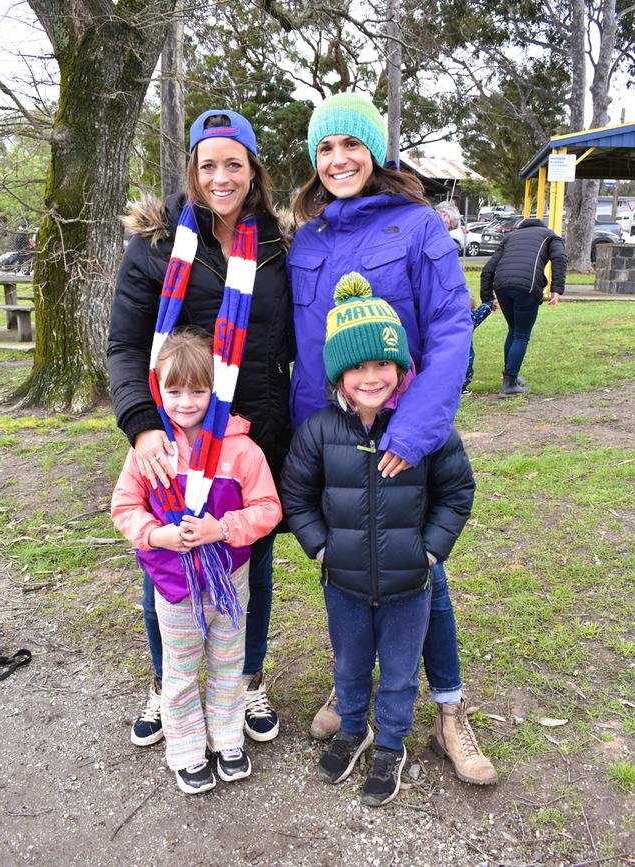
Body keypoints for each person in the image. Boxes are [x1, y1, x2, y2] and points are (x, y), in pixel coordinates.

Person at [288, 92, 497, 786]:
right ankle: (351, 696)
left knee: (419, 570)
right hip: (334, 436)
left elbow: (449, 330)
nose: (339, 159)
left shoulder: (418, 226)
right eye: (325, 148)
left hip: (407, 431)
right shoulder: (308, 237)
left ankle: (447, 708)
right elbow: (304, 345)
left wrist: (414, 427)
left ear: (375, 151)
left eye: (351, 145)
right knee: (347, 567)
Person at [108, 109, 291, 748]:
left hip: (253, 430)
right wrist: (139, 425)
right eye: (207, 164)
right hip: (173, 433)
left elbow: (292, 334)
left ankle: (244, 679)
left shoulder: (277, 242)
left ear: (253, 171)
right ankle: (167, 682)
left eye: (233, 164)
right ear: (191, 170)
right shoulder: (155, 245)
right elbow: (126, 344)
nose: (221, 176)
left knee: (251, 558)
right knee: (167, 555)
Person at [281, 273, 475, 807]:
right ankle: (352, 728)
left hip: (409, 582)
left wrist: (431, 551)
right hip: (341, 579)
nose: (371, 377)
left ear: (401, 367)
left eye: (383, 364)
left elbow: (456, 493)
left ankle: (390, 742)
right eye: (358, 367)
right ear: (339, 374)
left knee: (398, 671)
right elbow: (296, 495)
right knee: (348, 663)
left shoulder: (427, 430)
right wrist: (321, 547)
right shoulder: (319, 431)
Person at [112, 327, 282, 793]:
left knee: (230, 662)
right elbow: (124, 507)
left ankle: (227, 737)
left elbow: (269, 509)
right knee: (181, 668)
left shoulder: (241, 448)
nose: (186, 401)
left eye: (197, 390)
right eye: (174, 390)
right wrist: (156, 534)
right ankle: (186, 748)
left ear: (216, 388)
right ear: (157, 389)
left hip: (230, 581)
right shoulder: (149, 451)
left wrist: (221, 529)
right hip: (173, 584)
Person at [480, 217, 567, 397]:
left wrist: (487, 297)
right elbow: (559, 258)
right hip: (526, 287)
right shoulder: (550, 236)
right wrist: (556, 290)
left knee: (514, 330)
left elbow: (488, 268)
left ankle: (510, 376)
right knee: (521, 334)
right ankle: (510, 384)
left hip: (502, 285)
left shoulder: (511, 237)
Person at [463, 292, 496, 394]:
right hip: (465, 351)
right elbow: (481, 312)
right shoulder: (470, 318)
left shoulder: (447, 317)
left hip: (447, 349)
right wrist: (490, 304)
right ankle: (462, 388)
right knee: (466, 365)